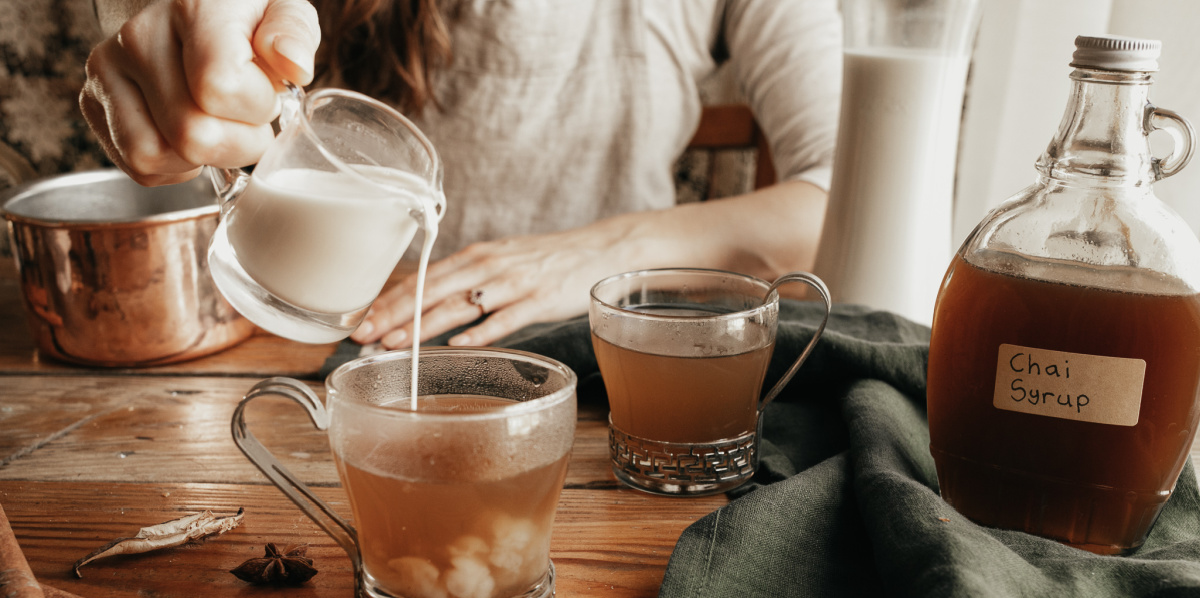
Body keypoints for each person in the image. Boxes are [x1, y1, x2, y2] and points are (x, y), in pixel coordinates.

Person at [80, 0, 841, 348]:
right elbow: (194, 27)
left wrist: (604, 252)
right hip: (293, 350)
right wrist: (166, 42)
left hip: (612, 362)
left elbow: (841, 191)